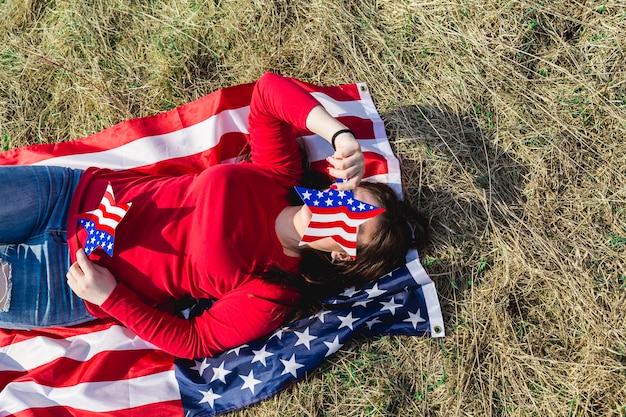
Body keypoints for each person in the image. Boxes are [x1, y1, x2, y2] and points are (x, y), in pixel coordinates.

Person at [0, 73, 426, 359]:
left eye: (356, 224)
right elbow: (268, 91)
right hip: (67, 194)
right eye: (353, 197)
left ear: (343, 256)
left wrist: (112, 299)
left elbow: (196, 341)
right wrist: (340, 134)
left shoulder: (274, 291)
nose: (344, 210)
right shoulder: (277, 175)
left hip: (67, 278)